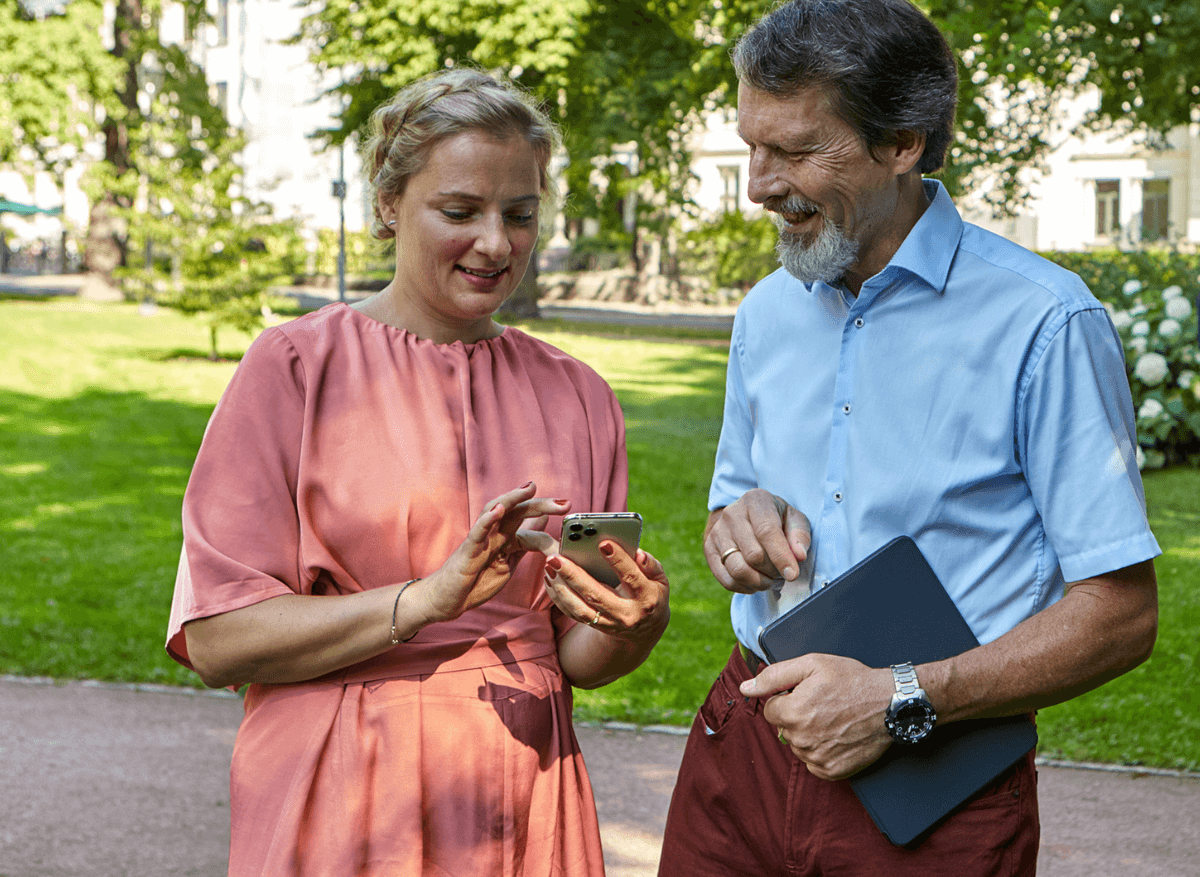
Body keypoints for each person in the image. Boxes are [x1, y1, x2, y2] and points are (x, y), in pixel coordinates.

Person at [657, 1, 1160, 874]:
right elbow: (729, 505)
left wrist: (898, 697)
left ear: (903, 141)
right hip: (742, 746)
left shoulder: (1046, 321)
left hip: (933, 783)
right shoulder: (766, 312)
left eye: (797, 150)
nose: (758, 185)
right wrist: (735, 526)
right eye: (752, 146)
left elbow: (1120, 617)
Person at [165, 67, 670, 876]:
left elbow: (577, 653)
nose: (496, 244)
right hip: (343, 780)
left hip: (526, 781)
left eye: (520, 214)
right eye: (460, 211)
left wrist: (631, 627)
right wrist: (426, 599)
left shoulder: (581, 395)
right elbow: (220, 638)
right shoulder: (294, 366)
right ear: (390, 203)